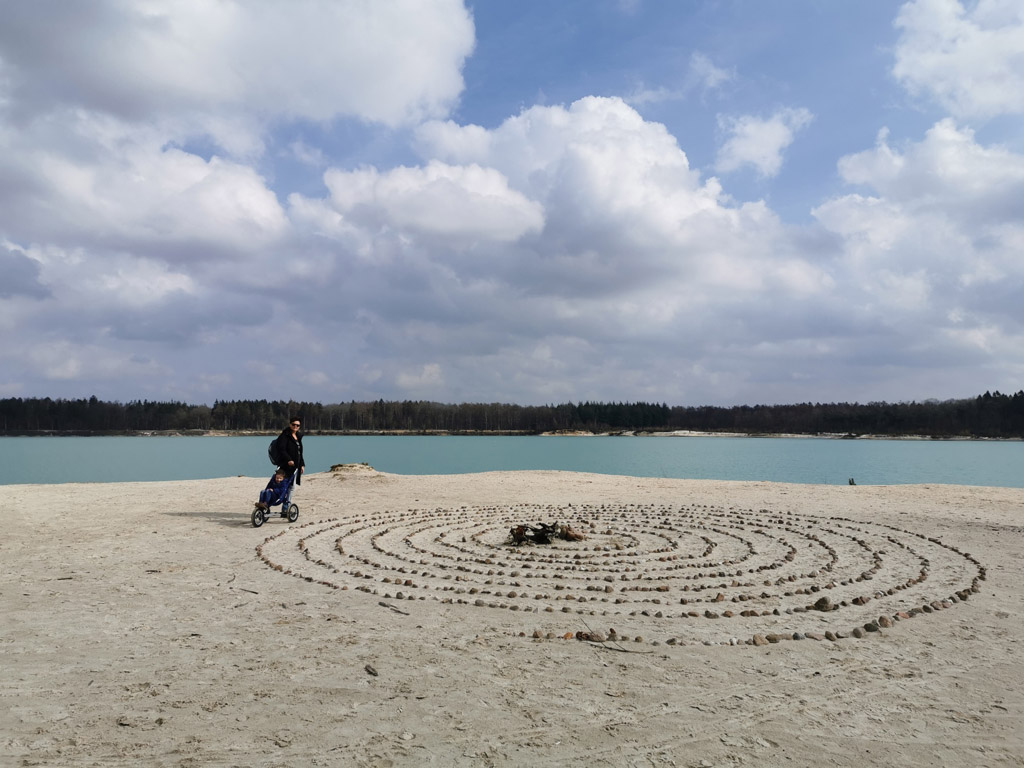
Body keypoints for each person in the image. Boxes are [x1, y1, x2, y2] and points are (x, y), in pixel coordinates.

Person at [275, 416, 305, 485]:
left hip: (296, 466)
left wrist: (302, 465)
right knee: (283, 485)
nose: (295, 426)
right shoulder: (284, 435)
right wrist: (288, 459)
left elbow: (300, 452)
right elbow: (281, 449)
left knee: (292, 486)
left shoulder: (298, 436)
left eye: (297, 425)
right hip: (285, 465)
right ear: (290, 424)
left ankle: (288, 496)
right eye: (293, 424)